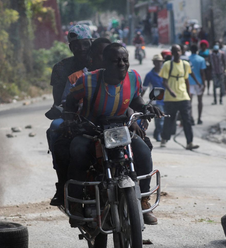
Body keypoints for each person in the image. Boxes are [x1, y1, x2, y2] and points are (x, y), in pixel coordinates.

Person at [62, 43, 163, 225]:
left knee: (143, 152)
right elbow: (70, 101)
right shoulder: (87, 81)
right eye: (116, 61)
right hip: (92, 130)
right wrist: (70, 119)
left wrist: (146, 106)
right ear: (105, 62)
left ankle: (143, 200)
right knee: (77, 150)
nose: (122, 64)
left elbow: (136, 98)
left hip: (120, 129)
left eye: (125, 60)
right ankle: (76, 204)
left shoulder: (134, 78)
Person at [48, 38, 111, 206]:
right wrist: (69, 115)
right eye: (76, 45)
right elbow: (66, 102)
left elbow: (133, 101)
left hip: (114, 127)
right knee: (62, 137)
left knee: (141, 146)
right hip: (85, 123)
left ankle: (142, 197)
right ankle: (65, 187)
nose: (81, 49)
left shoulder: (123, 75)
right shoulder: (78, 77)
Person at [159, 44, 200, 150]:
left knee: (187, 120)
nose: (177, 53)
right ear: (172, 53)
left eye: (178, 51)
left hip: (183, 96)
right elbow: (164, 81)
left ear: (181, 52)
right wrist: (171, 91)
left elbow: (186, 80)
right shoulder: (167, 65)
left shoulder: (185, 64)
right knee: (169, 120)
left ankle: (189, 142)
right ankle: (164, 138)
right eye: (175, 51)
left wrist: (188, 93)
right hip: (170, 98)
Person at [49, 24, 92, 108]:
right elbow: (58, 101)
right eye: (76, 45)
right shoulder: (60, 67)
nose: (82, 48)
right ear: (70, 47)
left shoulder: (100, 64)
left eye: (85, 44)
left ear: (92, 44)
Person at [142, 54, 165, 141]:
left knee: (165, 120)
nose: (159, 64)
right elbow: (144, 89)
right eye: (157, 62)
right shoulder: (149, 75)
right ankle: (159, 134)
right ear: (154, 63)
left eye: (160, 62)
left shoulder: (165, 73)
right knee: (160, 120)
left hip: (167, 99)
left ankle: (157, 133)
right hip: (156, 101)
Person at [188, 44, 206, 125]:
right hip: (199, 82)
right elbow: (202, 73)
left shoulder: (187, 59)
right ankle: (199, 118)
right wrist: (204, 83)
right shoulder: (201, 59)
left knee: (189, 102)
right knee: (200, 100)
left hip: (189, 82)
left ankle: (191, 117)